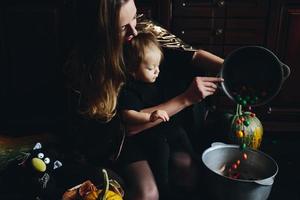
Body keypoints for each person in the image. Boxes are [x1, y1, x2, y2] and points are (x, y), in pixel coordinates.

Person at [62, 0, 224, 199]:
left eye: (134, 16)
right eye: (123, 28)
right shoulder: (90, 67)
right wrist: (186, 99)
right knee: (148, 194)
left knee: (188, 171)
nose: (134, 32)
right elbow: (127, 127)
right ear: (103, 32)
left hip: (157, 125)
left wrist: (229, 68)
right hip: (118, 138)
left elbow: (188, 54)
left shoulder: (138, 27)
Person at [117, 31, 202, 199]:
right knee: (162, 149)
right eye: (150, 68)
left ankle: (197, 159)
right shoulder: (129, 89)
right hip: (146, 134)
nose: (156, 71)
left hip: (162, 128)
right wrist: (149, 117)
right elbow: (128, 115)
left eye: (158, 66)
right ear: (133, 71)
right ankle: (164, 189)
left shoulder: (156, 79)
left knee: (180, 133)